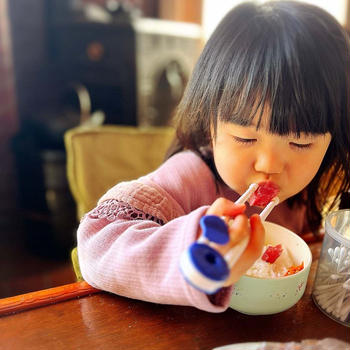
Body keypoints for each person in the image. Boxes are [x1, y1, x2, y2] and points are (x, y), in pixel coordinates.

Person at [77, 1, 350, 312]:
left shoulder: (304, 192)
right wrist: (200, 251)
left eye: (300, 144)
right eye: (246, 137)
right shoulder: (189, 175)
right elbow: (97, 244)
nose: (269, 165)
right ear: (210, 122)